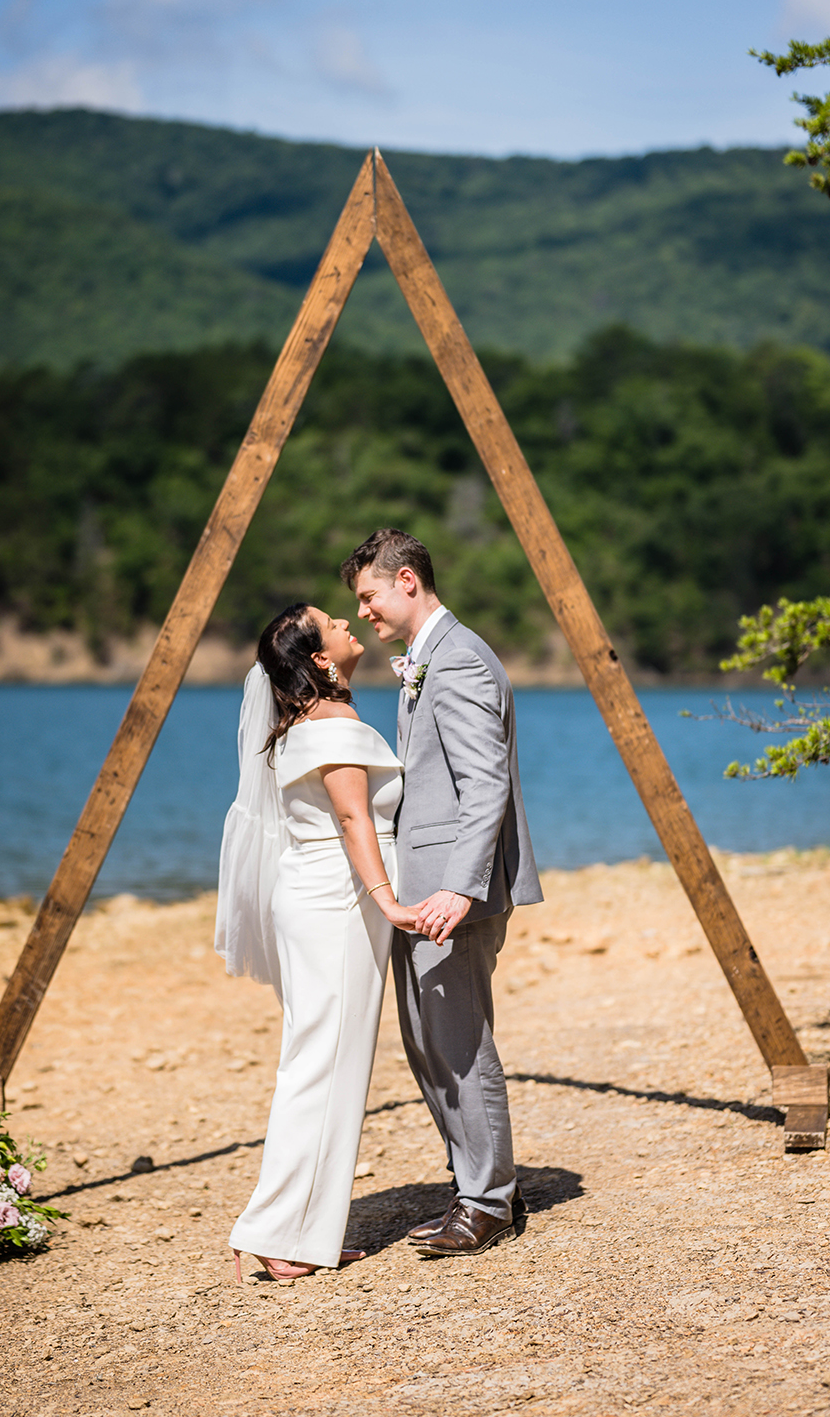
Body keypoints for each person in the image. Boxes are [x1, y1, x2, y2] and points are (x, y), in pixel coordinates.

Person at [341, 529, 543, 1258]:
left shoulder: (457, 660)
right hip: (428, 888)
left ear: (405, 581)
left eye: (367, 595)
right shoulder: (431, 658)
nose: (363, 611)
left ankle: (488, 1203)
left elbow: (485, 784)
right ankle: (477, 1188)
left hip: (452, 892)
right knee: (428, 1040)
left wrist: (459, 887)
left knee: (457, 1040)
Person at [216, 602, 418, 1282]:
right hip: (338, 901)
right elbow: (355, 816)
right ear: (322, 661)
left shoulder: (300, 722)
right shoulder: (334, 723)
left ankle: (306, 1232)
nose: (347, 621)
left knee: (328, 1062)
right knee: (322, 1062)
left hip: (317, 895)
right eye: (334, 622)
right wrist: (387, 897)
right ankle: (273, 1230)